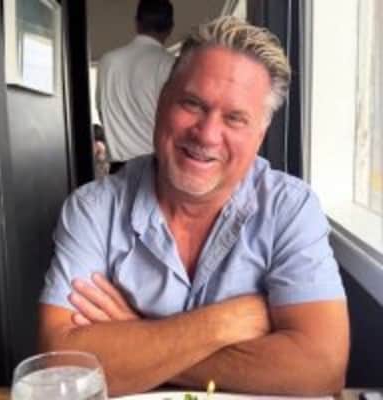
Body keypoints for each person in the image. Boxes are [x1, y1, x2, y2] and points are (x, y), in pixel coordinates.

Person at [39, 16, 349, 397]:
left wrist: (138, 336)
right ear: (162, 101)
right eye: (192, 104)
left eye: (235, 118)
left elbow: (321, 368)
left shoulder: (290, 208)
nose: (207, 134)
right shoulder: (93, 208)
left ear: (260, 134)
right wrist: (221, 325)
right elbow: (61, 366)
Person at [96, 0, 175, 173]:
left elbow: (102, 110)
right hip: (155, 168)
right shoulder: (170, 65)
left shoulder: (108, 61)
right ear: (170, 29)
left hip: (118, 169)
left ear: (137, 23)